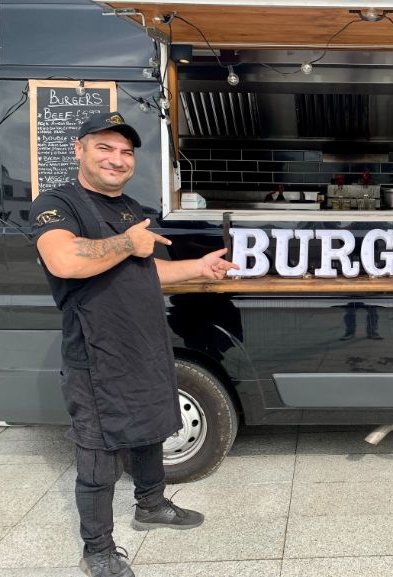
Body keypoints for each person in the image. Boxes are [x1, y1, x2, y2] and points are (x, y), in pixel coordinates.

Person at [29, 112, 238, 577]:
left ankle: (152, 503)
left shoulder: (129, 208)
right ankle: (98, 551)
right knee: (99, 454)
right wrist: (128, 243)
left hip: (145, 344)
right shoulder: (57, 204)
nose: (117, 159)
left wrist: (199, 268)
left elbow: (150, 271)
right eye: (105, 148)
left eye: (125, 152)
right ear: (79, 149)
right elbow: (64, 260)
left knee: (150, 428)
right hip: (97, 355)